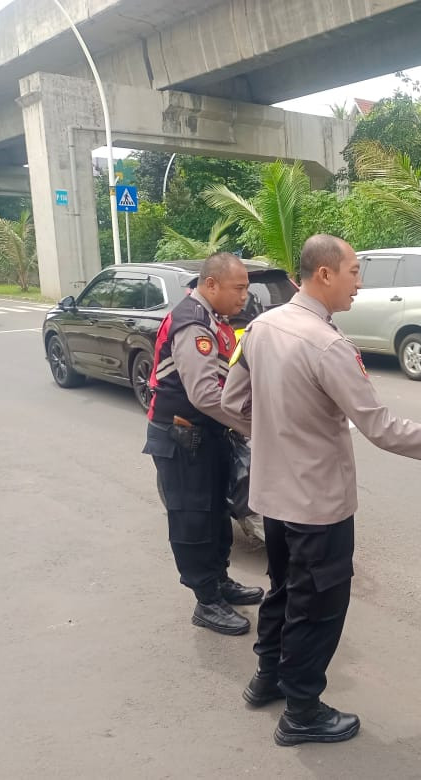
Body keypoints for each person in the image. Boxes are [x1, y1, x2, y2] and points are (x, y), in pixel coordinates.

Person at [221, 234, 421, 747]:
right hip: (319, 504)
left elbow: (231, 401)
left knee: (284, 590)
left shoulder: (261, 327)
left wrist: (277, 433)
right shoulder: (327, 345)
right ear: (325, 274)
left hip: (273, 495)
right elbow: (382, 429)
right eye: (355, 271)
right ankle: (302, 712)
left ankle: (268, 678)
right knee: (318, 606)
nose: (360, 282)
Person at [142, 253, 264, 636]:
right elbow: (205, 395)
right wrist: (254, 428)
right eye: (238, 288)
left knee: (215, 513)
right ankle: (206, 600)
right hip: (182, 438)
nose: (244, 296)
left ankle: (219, 581)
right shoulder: (193, 324)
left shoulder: (213, 318)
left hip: (207, 436)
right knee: (193, 519)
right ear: (211, 285)